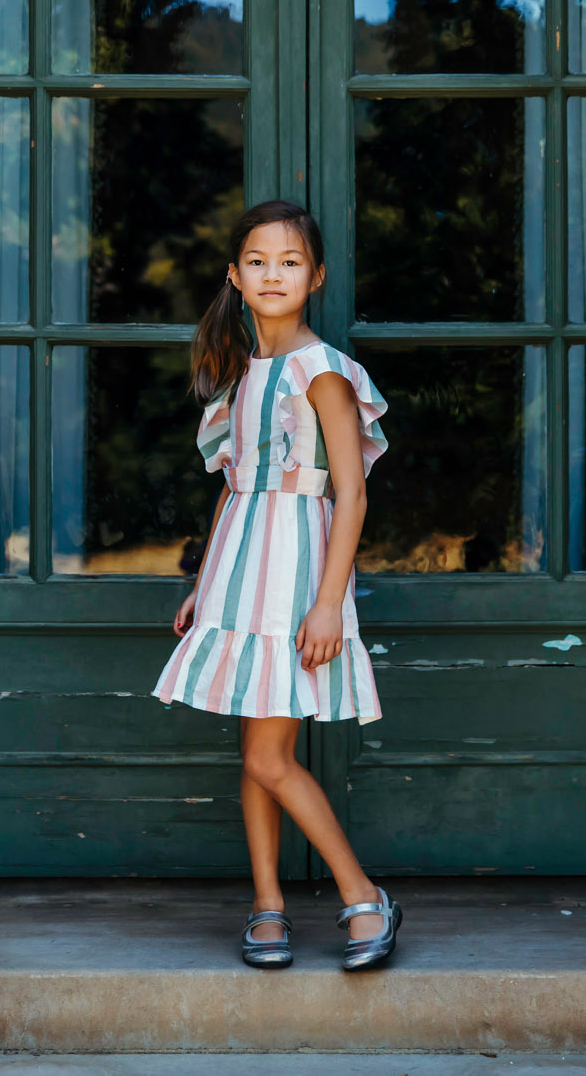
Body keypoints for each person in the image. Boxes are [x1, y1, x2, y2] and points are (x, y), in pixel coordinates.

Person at [151, 199, 402, 971]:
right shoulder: (243, 370)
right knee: (255, 743)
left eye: (289, 261)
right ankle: (267, 903)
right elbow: (235, 485)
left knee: (268, 753)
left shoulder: (321, 371)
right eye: (257, 260)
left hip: (296, 567)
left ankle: (364, 892)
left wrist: (329, 600)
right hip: (238, 568)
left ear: (315, 276)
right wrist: (204, 581)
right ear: (234, 273)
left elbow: (351, 493)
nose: (272, 273)